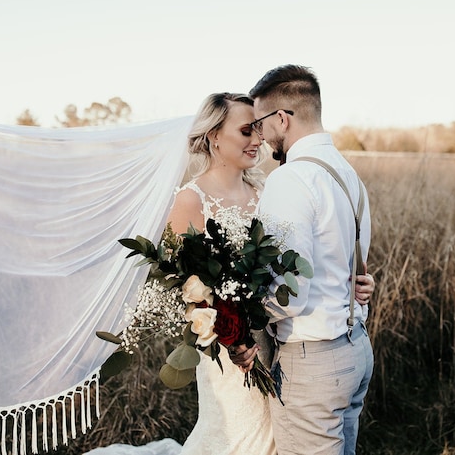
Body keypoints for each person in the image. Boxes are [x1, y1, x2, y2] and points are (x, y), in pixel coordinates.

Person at [86, 91, 374, 455]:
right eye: (246, 131)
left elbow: (299, 261)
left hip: (275, 345)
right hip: (229, 354)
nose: (258, 140)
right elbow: (185, 288)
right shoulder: (190, 200)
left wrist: (354, 283)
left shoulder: (267, 190)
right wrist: (231, 337)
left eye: (258, 129)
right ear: (214, 136)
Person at [231, 65, 375, 455]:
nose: (259, 137)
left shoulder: (291, 179)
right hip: (356, 348)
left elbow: (286, 295)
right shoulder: (348, 174)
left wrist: (234, 316)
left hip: (312, 361)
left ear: (282, 118)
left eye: (260, 124)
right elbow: (356, 267)